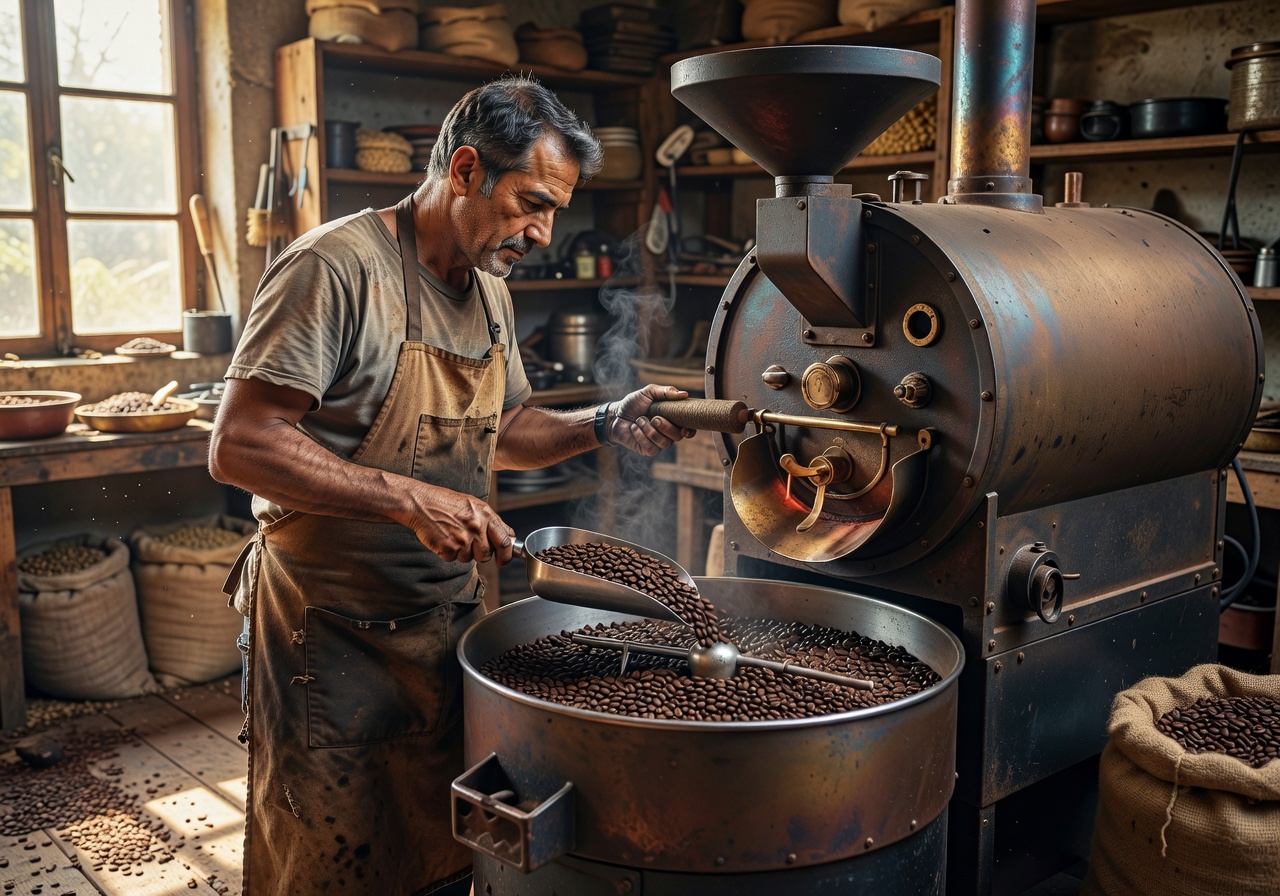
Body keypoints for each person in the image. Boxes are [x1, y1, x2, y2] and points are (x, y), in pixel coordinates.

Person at [209, 75, 694, 896]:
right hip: (332, 642)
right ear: (465, 169)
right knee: (332, 860)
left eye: (555, 211)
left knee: (441, 851)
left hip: (449, 630)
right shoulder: (336, 268)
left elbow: (503, 431)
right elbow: (241, 444)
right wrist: (406, 498)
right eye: (532, 203)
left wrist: (604, 418)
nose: (543, 232)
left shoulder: (491, 290)